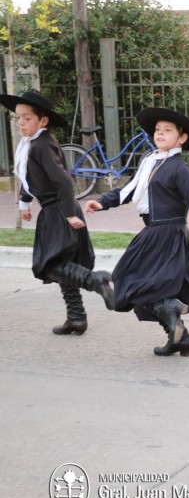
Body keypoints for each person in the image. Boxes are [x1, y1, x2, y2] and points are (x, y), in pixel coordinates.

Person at [85, 108, 189, 357]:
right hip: (152, 231)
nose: (160, 134)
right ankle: (179, 336)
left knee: (135, 282)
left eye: (168, 130)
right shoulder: (150, 160)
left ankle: (171, 309)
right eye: (157, 130)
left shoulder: (179, 168)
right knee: (134, 280)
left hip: (169, 233)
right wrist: (102, 202)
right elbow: (129, 189)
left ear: (182, 138)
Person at [0, 91, 114, 334]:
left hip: (59, 209)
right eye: (18, 118)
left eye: (27, 118)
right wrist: (24, 201)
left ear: (43, 121)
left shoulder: (42, 144)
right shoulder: (31, 144)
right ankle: (76, 318)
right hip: (56, 207)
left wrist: (69, 214)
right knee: (65, 263)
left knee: (49, 265)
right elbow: (33, 178)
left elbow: (62, 180)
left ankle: (97, 280)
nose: (21, 122)